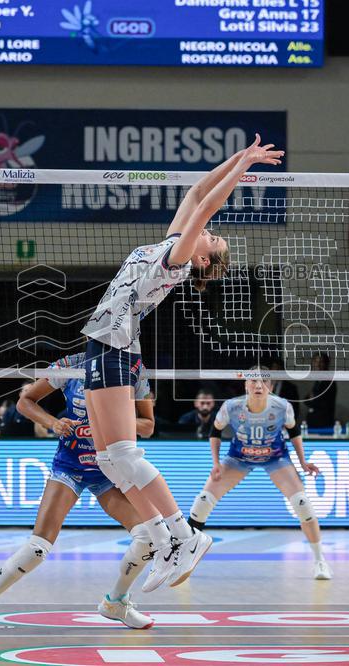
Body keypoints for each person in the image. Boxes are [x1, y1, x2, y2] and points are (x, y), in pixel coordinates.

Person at [79, 135, 280, 591]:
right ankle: (161, 540)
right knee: (108, 459)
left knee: (124, 454)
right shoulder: (170, 243)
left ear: (203, 256)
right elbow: (194, 195)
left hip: (116, 346)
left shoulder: (179, 259)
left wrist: (245, 167)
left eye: (209, 237)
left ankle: (186, 536)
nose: (205, 229)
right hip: (101, 342)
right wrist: (238, 156)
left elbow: (207, 207)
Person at [0, 352, 157, 631]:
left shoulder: (134, 369)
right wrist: (52, 422)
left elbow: (148, 426)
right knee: (38, 548)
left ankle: (116, 602)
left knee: (146, 536)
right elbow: (24, 401)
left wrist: (105, 427)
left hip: (110, 469)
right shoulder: (71, 366)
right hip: (70, 465)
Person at [187, 370, 330, 581]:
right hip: (238, 458)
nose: (259, 385)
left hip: (275, 457)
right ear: (245, 384)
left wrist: (302, 462)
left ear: (270, 387)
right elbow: (215, 431)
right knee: (203, 501)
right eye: (254, 380)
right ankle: (183, 559)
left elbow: (294, 431)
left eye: (264, 381)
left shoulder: (282, 406)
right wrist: (216, 463)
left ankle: (320, 561)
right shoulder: (231, 407)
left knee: (302, 503)